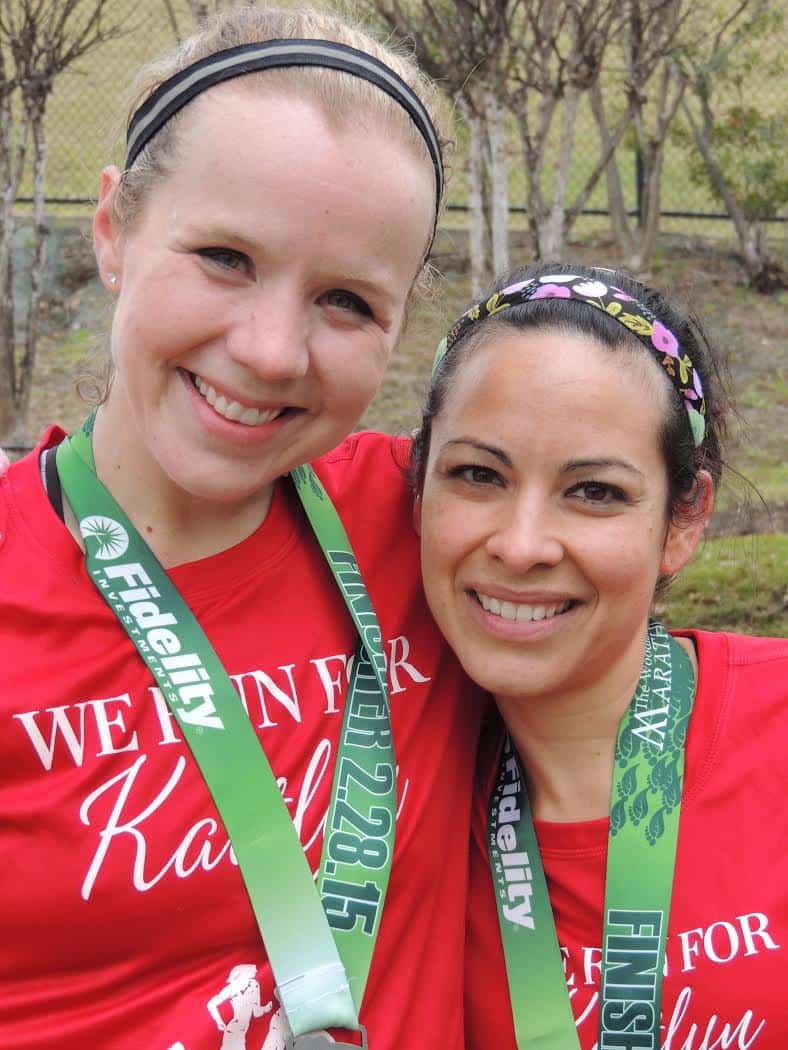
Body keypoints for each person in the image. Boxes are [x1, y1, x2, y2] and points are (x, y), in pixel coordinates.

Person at [0, 7, 484, 1049]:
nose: (270, 352)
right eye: (224, 257)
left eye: (346, 303)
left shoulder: (443, 528)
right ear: (112, 231)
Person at [411, 262, 788, 1047]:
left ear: (684, 521)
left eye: (594, 492)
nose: (520, 546)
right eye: (477, 475)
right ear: (419, 490)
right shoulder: (382, 815)